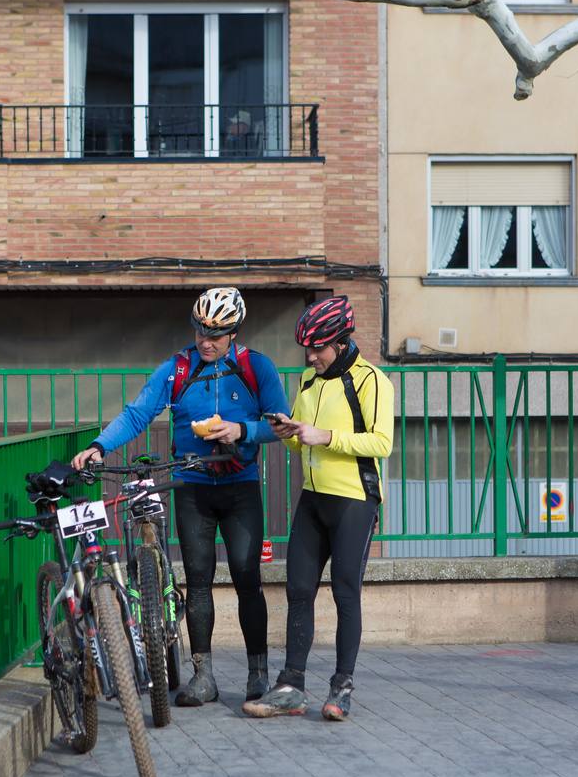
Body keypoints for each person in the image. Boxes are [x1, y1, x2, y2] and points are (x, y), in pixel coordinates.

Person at [72, 287, 290, 707]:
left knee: (248, 580)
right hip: (193, 487)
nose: (205, 342)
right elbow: (138, 413)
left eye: (216, 334)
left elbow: (279, 424)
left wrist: (241, 431)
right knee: (199, 580)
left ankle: (257, 674)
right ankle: (203, 676)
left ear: (234, 332)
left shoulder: (255, 367)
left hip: (241, 486)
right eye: (199, 332)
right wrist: (100, 446)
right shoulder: (178, 368)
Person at [242, 296, 394, 720]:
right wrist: (287, 432)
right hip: (313, 498)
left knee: (346, 593)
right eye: (306, 349)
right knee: (298, 591)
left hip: (354, 500)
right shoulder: (309, 380)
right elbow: (300, 440)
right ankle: (291, 685)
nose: (310, 356)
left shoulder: (372, 380)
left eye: (318, 348)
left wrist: (324, 436)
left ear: (341, 342)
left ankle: (341, 687)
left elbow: (381, 443)